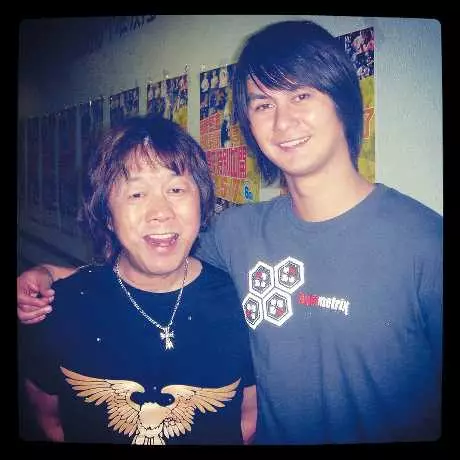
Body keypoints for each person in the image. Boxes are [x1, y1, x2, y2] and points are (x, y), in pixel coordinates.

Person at [18, 20, 442, 445]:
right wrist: (52, 275)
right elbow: (152, 264)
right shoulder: (237, 232)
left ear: (344, 101)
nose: (283, 121)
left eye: (301, 95)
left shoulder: (424, 243)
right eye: (263, 104)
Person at [18, 114, 257, 445]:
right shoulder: (61, 308)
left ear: (202, 204)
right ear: (107, 215)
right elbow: (49, 416)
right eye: (136, 194)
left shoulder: (241, 302)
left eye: (176, 189)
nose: (160, 212)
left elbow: (248, 416)